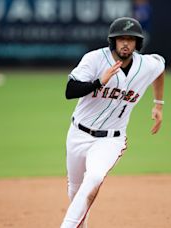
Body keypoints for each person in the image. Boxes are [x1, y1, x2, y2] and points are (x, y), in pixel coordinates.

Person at [61, 17, 165, 228]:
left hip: (111, 139)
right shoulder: (94, 59)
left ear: (138, 43)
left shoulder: (146, 65)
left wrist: (158, 104)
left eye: (131, 39)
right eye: (121, 39)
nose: (125, 43)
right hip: (78, 134)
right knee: (75, 189)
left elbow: (161, 68)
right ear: (113, 41)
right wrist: (100, 81)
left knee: (94, 178)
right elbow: (69, 91)